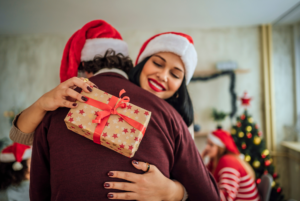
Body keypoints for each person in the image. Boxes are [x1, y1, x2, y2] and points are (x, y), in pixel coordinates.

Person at [10, 20, 219, 200]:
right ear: (135, 65)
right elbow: (209, 196)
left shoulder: (58, 107)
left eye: (175, 74)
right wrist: (177, 193)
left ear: (81, 69)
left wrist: (171, 191)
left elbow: (38, 193)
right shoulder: (172, 119)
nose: (162, 77)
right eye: (157, 63)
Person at [202, 128, 260, 201]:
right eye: (207, 143)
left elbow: (226, 198)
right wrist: (201, 158)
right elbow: (204, 179)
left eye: (211, 145)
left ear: (220, 147)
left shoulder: (227, 161)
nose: (206, 147)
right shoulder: (215, 162)